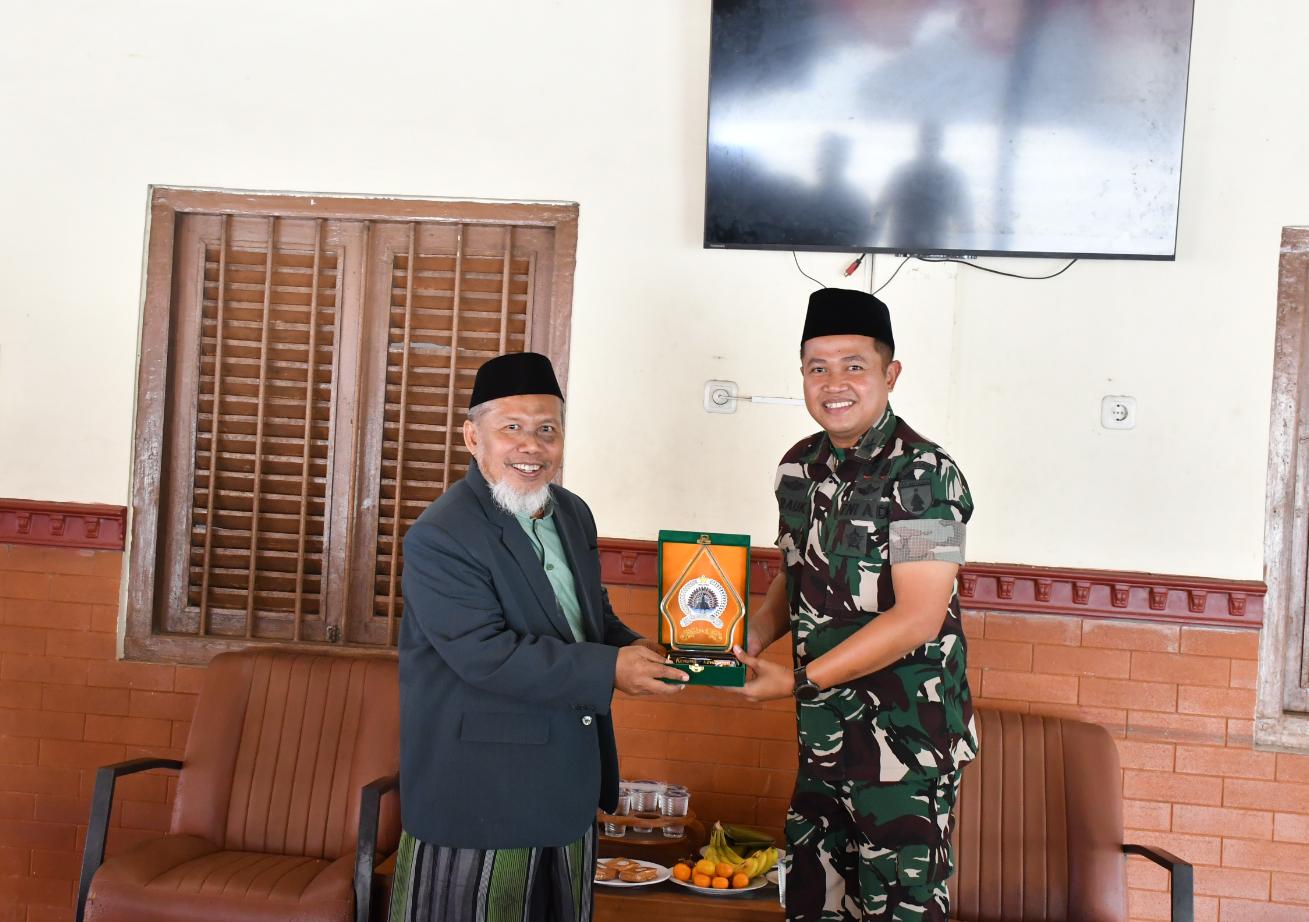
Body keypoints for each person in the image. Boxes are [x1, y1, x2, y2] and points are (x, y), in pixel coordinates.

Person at [392, 351, 687, 922]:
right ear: (472, 437)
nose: (531, 446)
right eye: (512, 428)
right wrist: (611, 670)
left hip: (564, 787)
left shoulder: (571, 513)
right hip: (482, 794)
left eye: (547, 430)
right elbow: (486, 655)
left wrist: (640, 648)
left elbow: (587, 616)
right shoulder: (441, 535)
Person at [731, 288, 977, 922]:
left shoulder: (928, 474)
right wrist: (751, 636)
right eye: (817, 367)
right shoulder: (797, 468)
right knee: (812, 905)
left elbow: (920, 617)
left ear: (890, 375)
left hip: (906, 753)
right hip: (824, 741)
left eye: (854, 366)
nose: (833, 383)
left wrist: (798, 681)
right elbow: (794, 573)